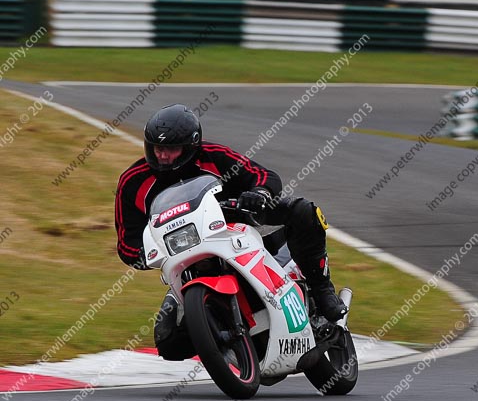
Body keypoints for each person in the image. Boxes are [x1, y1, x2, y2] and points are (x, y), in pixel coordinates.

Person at [114, 104, 347, 360]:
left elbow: (262, 175)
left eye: (171, 149)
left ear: (191, 147)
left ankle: (321, 287)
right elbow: (127, 243)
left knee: (303, 211)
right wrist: (148, 252)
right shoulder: (132, 182)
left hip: (232, 228)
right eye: (157, 149)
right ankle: (224, 342)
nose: (163, 156)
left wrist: (258, 194)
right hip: (184, 255)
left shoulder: (213, 156)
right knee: (168, 343)